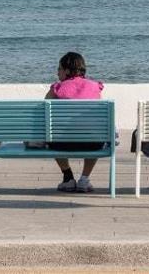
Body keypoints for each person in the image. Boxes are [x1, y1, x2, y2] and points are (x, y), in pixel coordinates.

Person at [47, 51, 105, 193]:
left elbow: (43, 113)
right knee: (96, 133)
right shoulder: (94, 87)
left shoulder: (57, 88)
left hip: (61, 143)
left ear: (67, 71)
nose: (57, 73)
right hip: (92, 143)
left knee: (50, 134)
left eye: (59, 69)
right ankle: (84, 180)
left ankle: (68, 178)